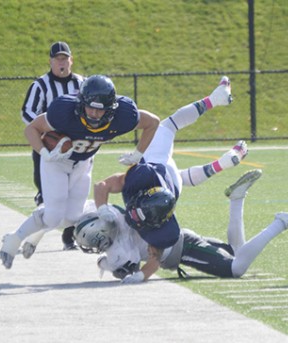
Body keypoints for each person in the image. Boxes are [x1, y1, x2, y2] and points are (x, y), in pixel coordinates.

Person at [93, 76, 248, 283]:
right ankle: (213, 100)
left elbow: (154, 257)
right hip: (157, 170)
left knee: (182, 178)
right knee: (168, 125)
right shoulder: (125, 230)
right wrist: (102, 209)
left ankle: (221, 164)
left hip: (173, 187)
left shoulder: (126, 246)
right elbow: (101, 185)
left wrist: (140, 275)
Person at [0, 74, 160, 269]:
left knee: (72, 217)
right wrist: (45, 153)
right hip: (56, 162)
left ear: (111, 109)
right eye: (89, 107)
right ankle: (13, 240)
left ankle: (36, 234)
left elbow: (153, 122)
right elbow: (31, 129)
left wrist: (138, 153)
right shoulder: (64, 111)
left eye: (100, 110)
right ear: (80, 103)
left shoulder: (124, 115)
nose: (93, 114)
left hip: (84, 162)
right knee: (53, 216)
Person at [74, 169, 288, 283]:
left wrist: (138, 275)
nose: (97, 246)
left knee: (236, 269)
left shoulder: (119, 243)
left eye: (96, 241)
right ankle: (237, 199)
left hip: (182, 249)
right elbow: (100, 190)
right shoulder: (114, 217)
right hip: (180, 241)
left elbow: (154, 260)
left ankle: (280, 223)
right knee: (237, 251)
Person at [21, 41, 85, 250]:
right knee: (46, 197)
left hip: (75, 148)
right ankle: (32, 234)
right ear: (50, 61)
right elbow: (27, 112)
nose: (62, 63)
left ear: (71, 60)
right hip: (47, 148)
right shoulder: (40, 85)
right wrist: (49, 132)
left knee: (73, 194)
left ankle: (68, 237)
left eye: (65, 58)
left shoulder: (82, 84)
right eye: (57, 59)